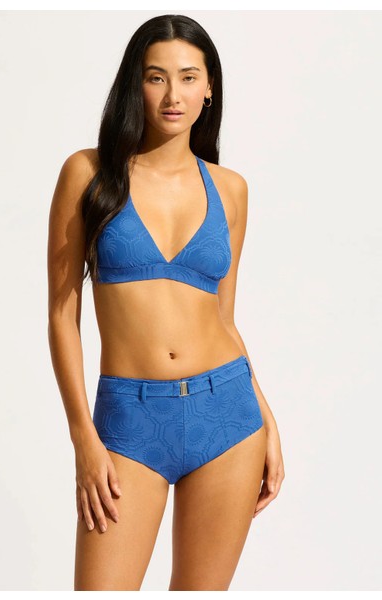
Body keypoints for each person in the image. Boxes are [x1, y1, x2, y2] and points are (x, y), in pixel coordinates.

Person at [47, 13, 285, 592]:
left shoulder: (230, 189)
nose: (173, 94)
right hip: (128, 422)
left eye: (188, 77)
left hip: (228, 417)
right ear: (136, 85)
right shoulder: (88, 174)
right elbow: (61, 315)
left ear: (209, 89)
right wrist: (83, 439)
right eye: (156, 77)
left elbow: (223, 318)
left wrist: (267, 419)